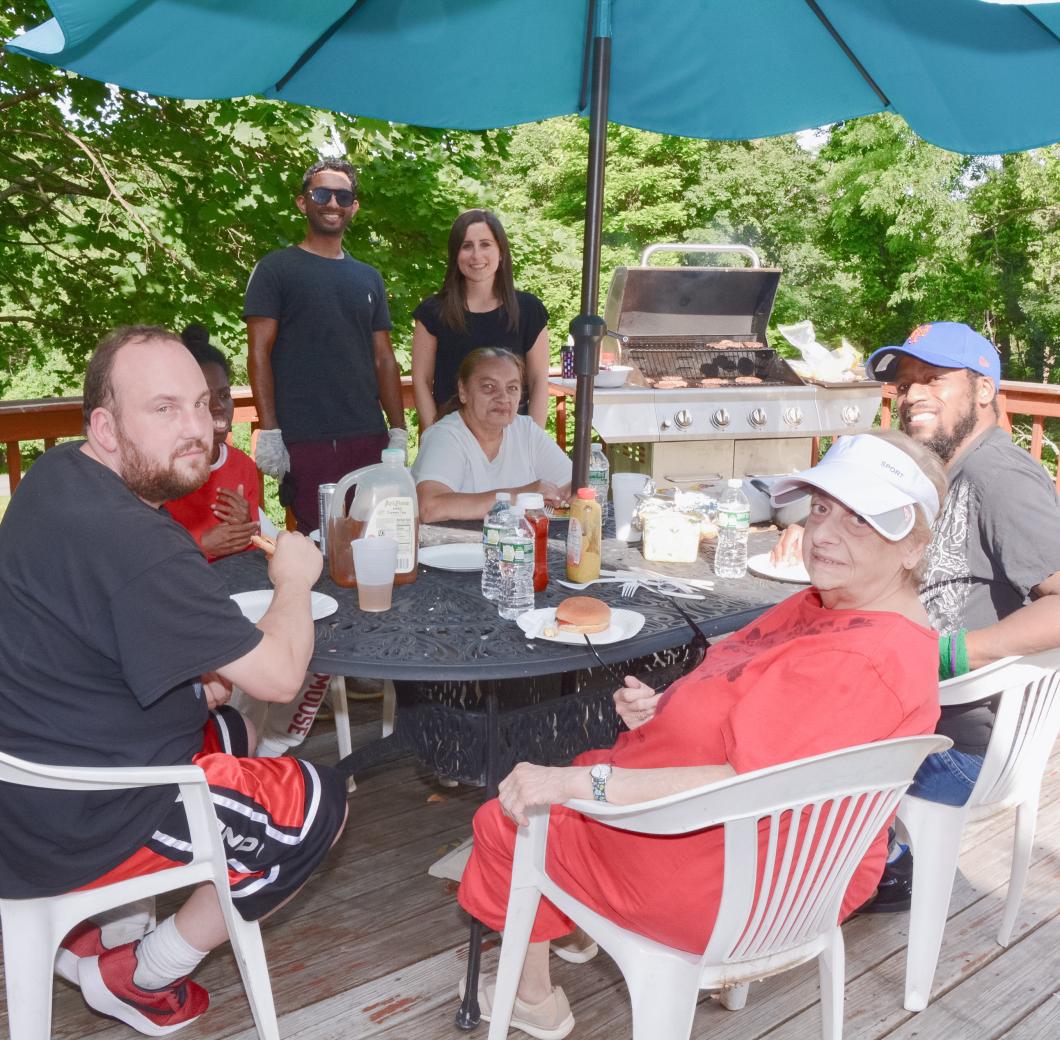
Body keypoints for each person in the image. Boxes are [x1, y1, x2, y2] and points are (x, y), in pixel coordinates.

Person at [456, 430, 946, 1039]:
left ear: (914, 548)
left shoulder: (864, 660)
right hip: (742, 847)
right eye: (821, 507)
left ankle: (532, 999)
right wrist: (667, 707)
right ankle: (572, 913)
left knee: (511, 815)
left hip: (727, 877)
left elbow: (744, 782)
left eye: (860, 521)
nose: (823, 534)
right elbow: (761, 707)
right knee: (575, 768)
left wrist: (574, 782)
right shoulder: (834, 604)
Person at [0, 326, 348, 1036]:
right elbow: (282, 673)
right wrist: (294, 578)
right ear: (105, 425)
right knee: (319, 803)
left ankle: (116, 927)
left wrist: (198, 680)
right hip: (74, 820)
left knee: (236, 725)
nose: (198, 429)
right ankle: (139, 971)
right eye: (164, 409)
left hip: (28, 771)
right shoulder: (142, 546)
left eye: (201, 405)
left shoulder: (57, 475)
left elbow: (92, 622)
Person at [772, 321, 1060, 910]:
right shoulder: (939, 471)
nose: (913, 396)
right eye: (905, 385)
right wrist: (817, 529)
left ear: (983, 391)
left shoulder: (999, 476)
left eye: (934, 379)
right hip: (907, 710)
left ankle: (872, 865)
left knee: (762, 740)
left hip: (952, 742)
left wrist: (955, 654)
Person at [244, 157, 407, 533]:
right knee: (318, 537)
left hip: (368, 434)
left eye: (342, 195)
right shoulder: (275, 269)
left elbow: (384, 359)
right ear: (303, 202)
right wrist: (269, 431)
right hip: (306, 437)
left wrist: (397, 430)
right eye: (321, 193)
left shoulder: (369, 278)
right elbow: (258, 353)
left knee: (376, 533)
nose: (332, 203)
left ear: (354, 206)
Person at [412, 210, 550, 430]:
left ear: (501, 251)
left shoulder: (529, 310)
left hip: (511, 441)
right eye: (467, 246)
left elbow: (539, 382)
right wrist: (434, 436)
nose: (476, 255)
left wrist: (532, 442)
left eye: (485, 244)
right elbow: (421, 381)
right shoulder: (432, 312)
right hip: (452, 440)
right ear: (455, 254)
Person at [412, 348, 571, 522]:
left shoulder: (526, 431)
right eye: (489, 387)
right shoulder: (445, 436)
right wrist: (518, 496)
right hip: (452, 547)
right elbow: (429, 507)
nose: (503, 397)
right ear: (463, 391)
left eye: (512, 388)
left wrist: (574, 493)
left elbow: (573, 484)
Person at [164, 324, 260, 560]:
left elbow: (252, 549)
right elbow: (144, 557)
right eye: (205, 398)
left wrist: (245, 525)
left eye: (224, 395)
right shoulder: (161, 471)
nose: (219, 406)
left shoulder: (243, 466)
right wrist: (200, 546)